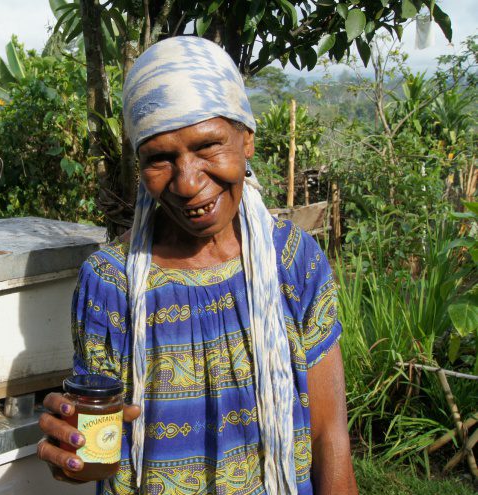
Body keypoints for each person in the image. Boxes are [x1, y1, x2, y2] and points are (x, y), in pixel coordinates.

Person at [38, 36, 357, 495]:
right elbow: (96, 438)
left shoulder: (294, 263)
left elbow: (331, 436)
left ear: (246, 139)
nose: (187, 183)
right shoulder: (112, 284)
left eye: (208, 146)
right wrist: (73, 449)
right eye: (160, 158)